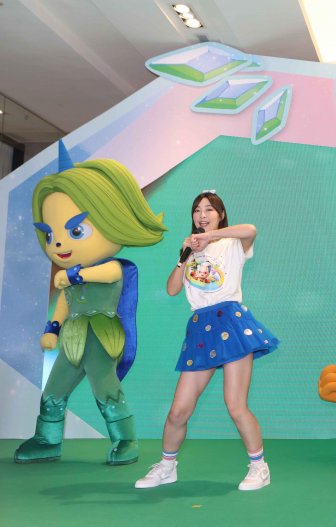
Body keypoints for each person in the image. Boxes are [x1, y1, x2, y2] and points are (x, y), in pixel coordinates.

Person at [16, 144, 166, 465]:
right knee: (54, 389)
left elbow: (106, 274)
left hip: (101, 334)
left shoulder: (115, 268)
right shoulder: (68, 277)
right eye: (50, 235)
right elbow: (65, 303)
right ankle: (47, 439)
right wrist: (52, 329)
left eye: (75, 230)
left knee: (105, 386)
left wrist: (72, 276)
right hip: (73, 337)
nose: (59, 243)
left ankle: (126, 440)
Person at [135, 191, 278, 491]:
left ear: (221, 215)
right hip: (200, 328)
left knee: (236, 405)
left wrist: (211, 236)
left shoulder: (232, 243)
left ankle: (259, 468)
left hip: (231, 323)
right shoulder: (190, 250)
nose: (202, 215)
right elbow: (172, 289)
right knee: (178, 410)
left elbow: (250, 229)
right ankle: (167, 467)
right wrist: (184, 254)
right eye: (197, 210)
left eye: (209, 209)